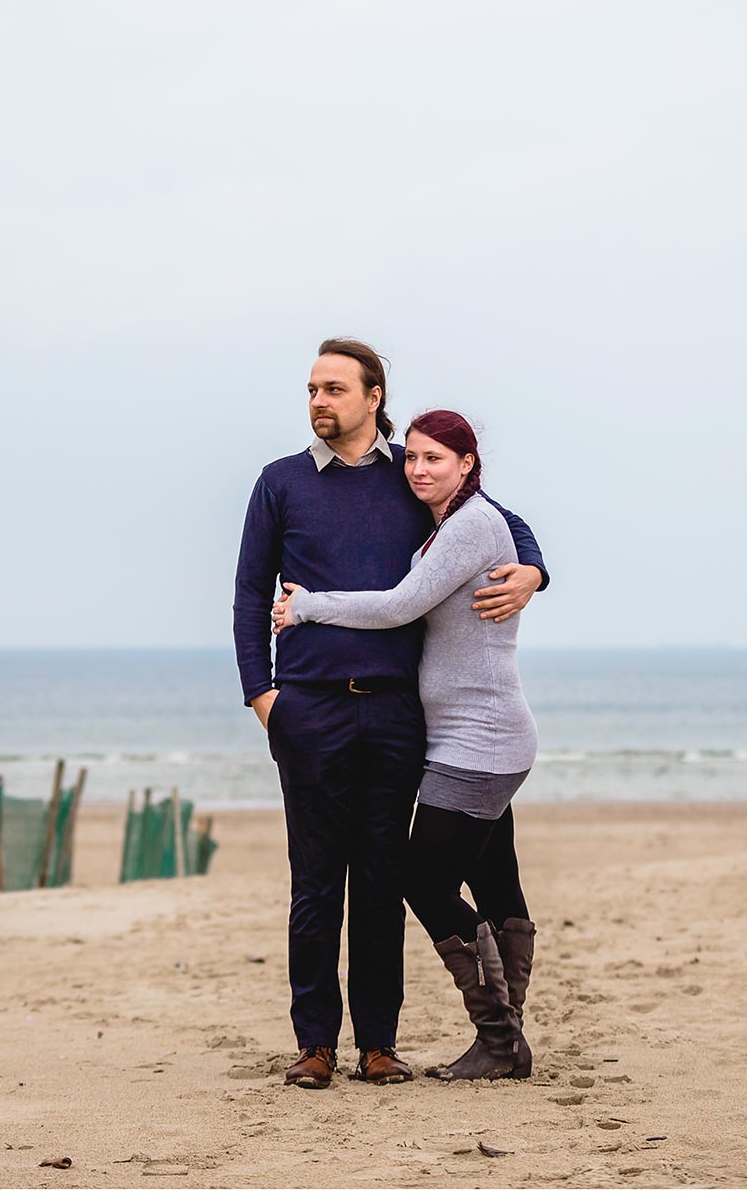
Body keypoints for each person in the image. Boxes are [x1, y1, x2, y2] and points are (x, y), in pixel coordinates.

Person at [233, 339, 548, 1090]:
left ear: (374, 396)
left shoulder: (414, 472)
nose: (319, 401)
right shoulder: (279, 482)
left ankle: (379, 1043)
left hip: (399, 717)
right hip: (306, 710)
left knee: (381, 880)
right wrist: (262, 695)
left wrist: (536, 569)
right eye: (312, 388)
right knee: (314, 885)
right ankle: (315, 1043)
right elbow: (250, 592)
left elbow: (498, 520)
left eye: (335, 388)